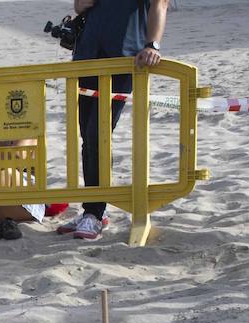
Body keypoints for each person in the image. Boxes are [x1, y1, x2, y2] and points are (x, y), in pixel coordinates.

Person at [59, 0, 169, 240]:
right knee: (87, 137)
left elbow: (160, 5)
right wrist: (80, 4)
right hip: (88, 54)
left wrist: (153, 45)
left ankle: (95, 213)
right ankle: (92, 210)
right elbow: (79, 6)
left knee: (97, 135)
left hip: (123, 56)